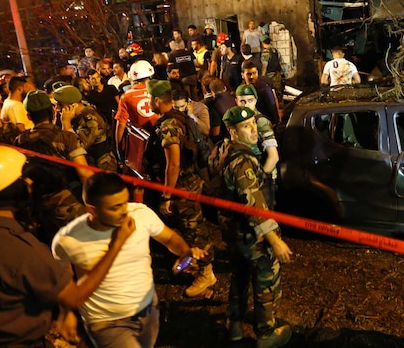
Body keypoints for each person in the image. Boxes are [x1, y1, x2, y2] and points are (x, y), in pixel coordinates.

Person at [0, 147, 134, 348]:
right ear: (16, 191)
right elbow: (74, 296)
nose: (31, 185)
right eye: (26, 182)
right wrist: (116, 245)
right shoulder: (22, 250)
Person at [52, 172, 206, 348]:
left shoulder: (140, 214)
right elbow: (64, 285)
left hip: (148, 309)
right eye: (115, 207)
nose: (124, 211)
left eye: (125, 202)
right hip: (106, 322)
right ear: (92, 210)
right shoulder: (67, 240)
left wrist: (184, 252)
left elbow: (169, 238)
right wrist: (65, 313)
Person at [219, 105, 293, 347]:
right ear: (233, 131)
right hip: (253, 237)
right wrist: (274, 240)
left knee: (239, 279)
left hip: (234, 235)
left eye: (253, 123)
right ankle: (266, 334)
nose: (253, 130)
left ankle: (235, 326)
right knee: (266, 284)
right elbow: (254, 205)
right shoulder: (243, 162)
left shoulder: (227, 151)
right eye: (245, 126)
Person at [148, 80, 217, 297]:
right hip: (188, 182)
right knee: (187, 228)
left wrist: (167, 195)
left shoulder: (169, 125)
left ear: (157, 100)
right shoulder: (178, 117)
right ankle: (195, 264)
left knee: (194, 230)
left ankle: (207, 273)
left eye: (150, 99)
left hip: (181, 186)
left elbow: (174, 164)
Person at [14, 90, 91, 242]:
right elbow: (85, 174)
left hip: (39, 207)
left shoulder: (20, 140)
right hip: (69, 204)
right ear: (52, 111)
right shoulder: (66, 137)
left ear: (29, 116)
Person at [55, 85, 117, 173]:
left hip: (100, 169)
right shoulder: (79, 115)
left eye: (60, 105)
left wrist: (66, 123)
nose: (57, 109)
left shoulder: (91, 121)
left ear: (73, 106)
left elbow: (75, 147)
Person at [242, 60, 281, 126]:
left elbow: (273, 105)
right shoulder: (242, 88)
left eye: (254, 73)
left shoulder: (264, 88)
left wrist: (275, 121)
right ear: (242, 75)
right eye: (249, 74)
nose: (252, 77)